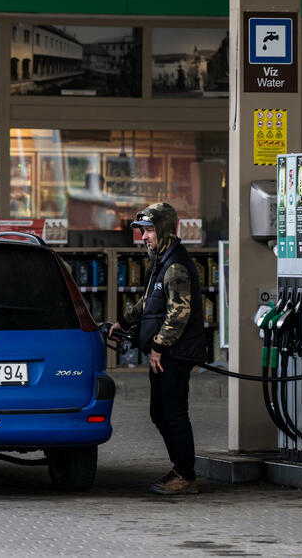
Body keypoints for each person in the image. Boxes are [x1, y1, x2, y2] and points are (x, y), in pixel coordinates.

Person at [109, 202, 206, 495]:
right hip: (167, 353)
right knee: (160, 412)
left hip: (174, 354)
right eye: (142, 231)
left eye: (149, 230)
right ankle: (181, 469)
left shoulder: (175, 265)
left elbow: (179, 313)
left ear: (163, 229)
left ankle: (185, 475)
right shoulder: (162, 261)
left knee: (173, 413)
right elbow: (150, 302)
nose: (144, 237)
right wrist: (123, 322)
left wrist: (159, 347)